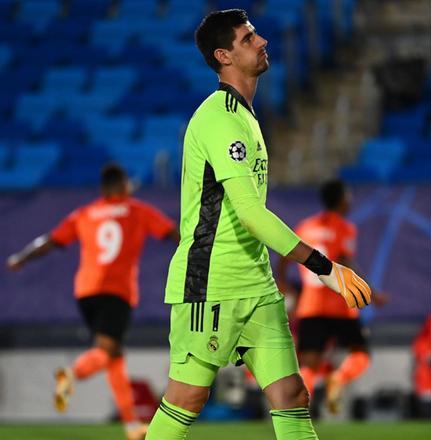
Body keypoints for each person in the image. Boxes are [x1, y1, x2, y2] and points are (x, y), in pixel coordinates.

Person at [145, 10, 372, 440]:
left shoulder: (246, 116)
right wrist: (325, 268)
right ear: (223, 56)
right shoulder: (219, 118)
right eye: (249, 38)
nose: (263, 40)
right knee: (186, 399)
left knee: (292, 394)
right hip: (211, 284)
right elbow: (250, 213)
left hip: (257, 285)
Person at [7, 164, 179, 440]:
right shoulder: (137, 210)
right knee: (107, 350)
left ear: (103, 189)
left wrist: (22, 258)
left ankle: (132, 425)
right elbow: (172, 232)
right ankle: (72, 373)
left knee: (114, 356)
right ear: (123, 186)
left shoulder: (85, 213)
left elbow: (49, 240)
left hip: (85, 291)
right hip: (117, 291)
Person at [276, 179, 379, 414]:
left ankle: (296, 408)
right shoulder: (345, 228)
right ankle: (339, 378)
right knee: (360, 352)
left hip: (310, 306)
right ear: (342, 201)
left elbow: (283, 257)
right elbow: (344, 261)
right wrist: (366, 287)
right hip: (340, 304)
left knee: (310, 363)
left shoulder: (304, 226)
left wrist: (284, 284)